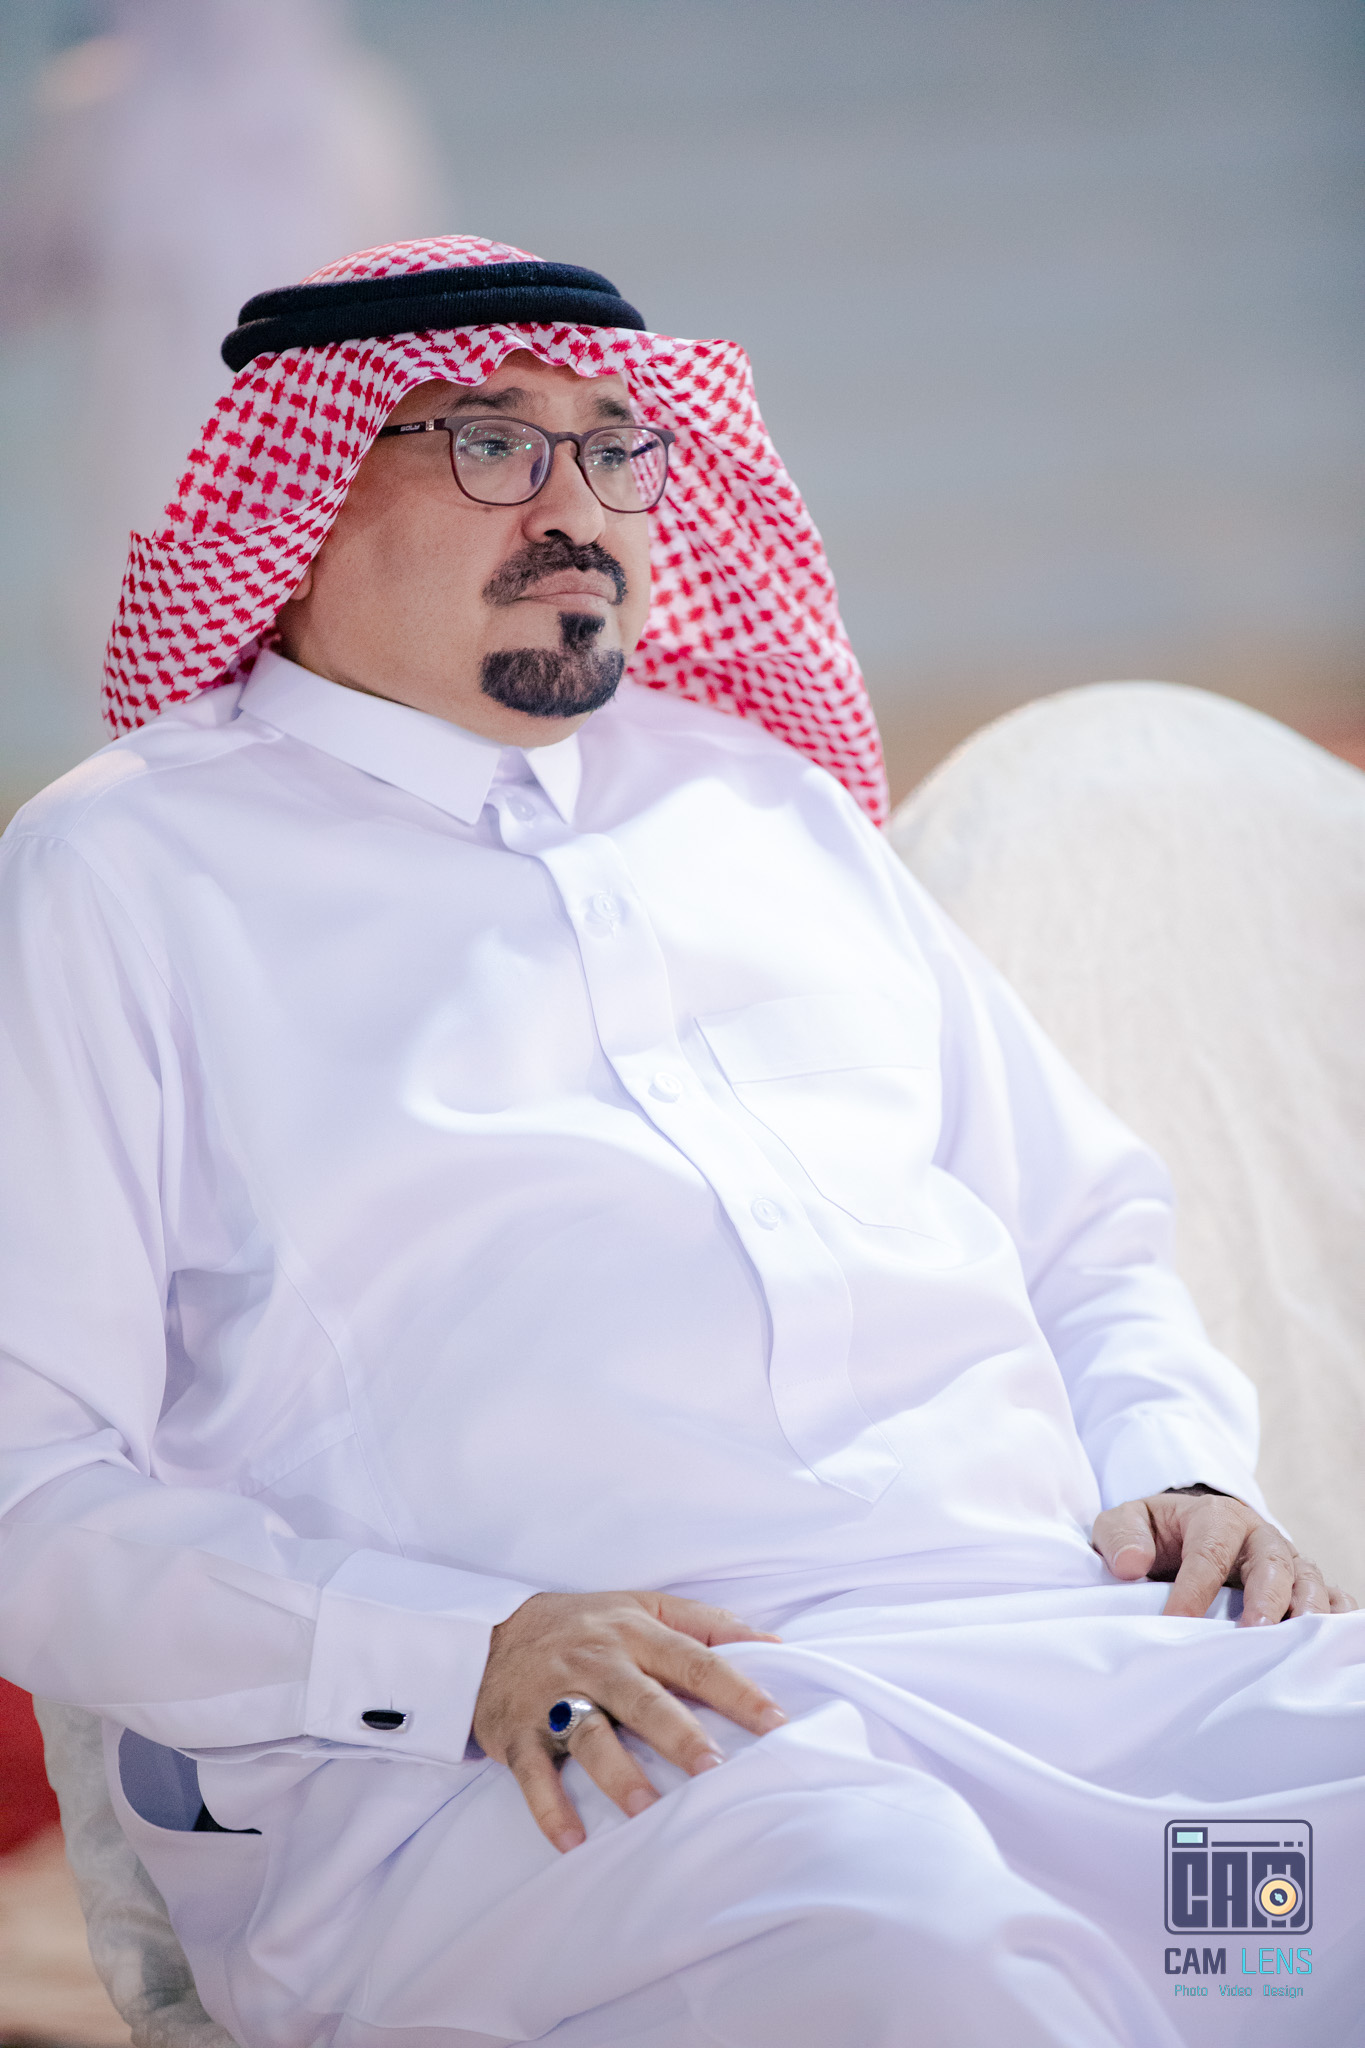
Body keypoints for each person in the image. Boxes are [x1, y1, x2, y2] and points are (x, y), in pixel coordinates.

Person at [0, 236, 1360, 2048]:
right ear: (302, 493)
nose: (576, 508)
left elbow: (1079, 1234)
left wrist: (1182, 1467)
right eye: (491, 441)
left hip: (1064, 1670)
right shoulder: (122, 876)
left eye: (614, 447)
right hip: (569, 1761)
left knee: (1290, 1900)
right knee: (920, 1959)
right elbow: (29, 1483)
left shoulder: (763, 805)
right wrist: (466, 1652)